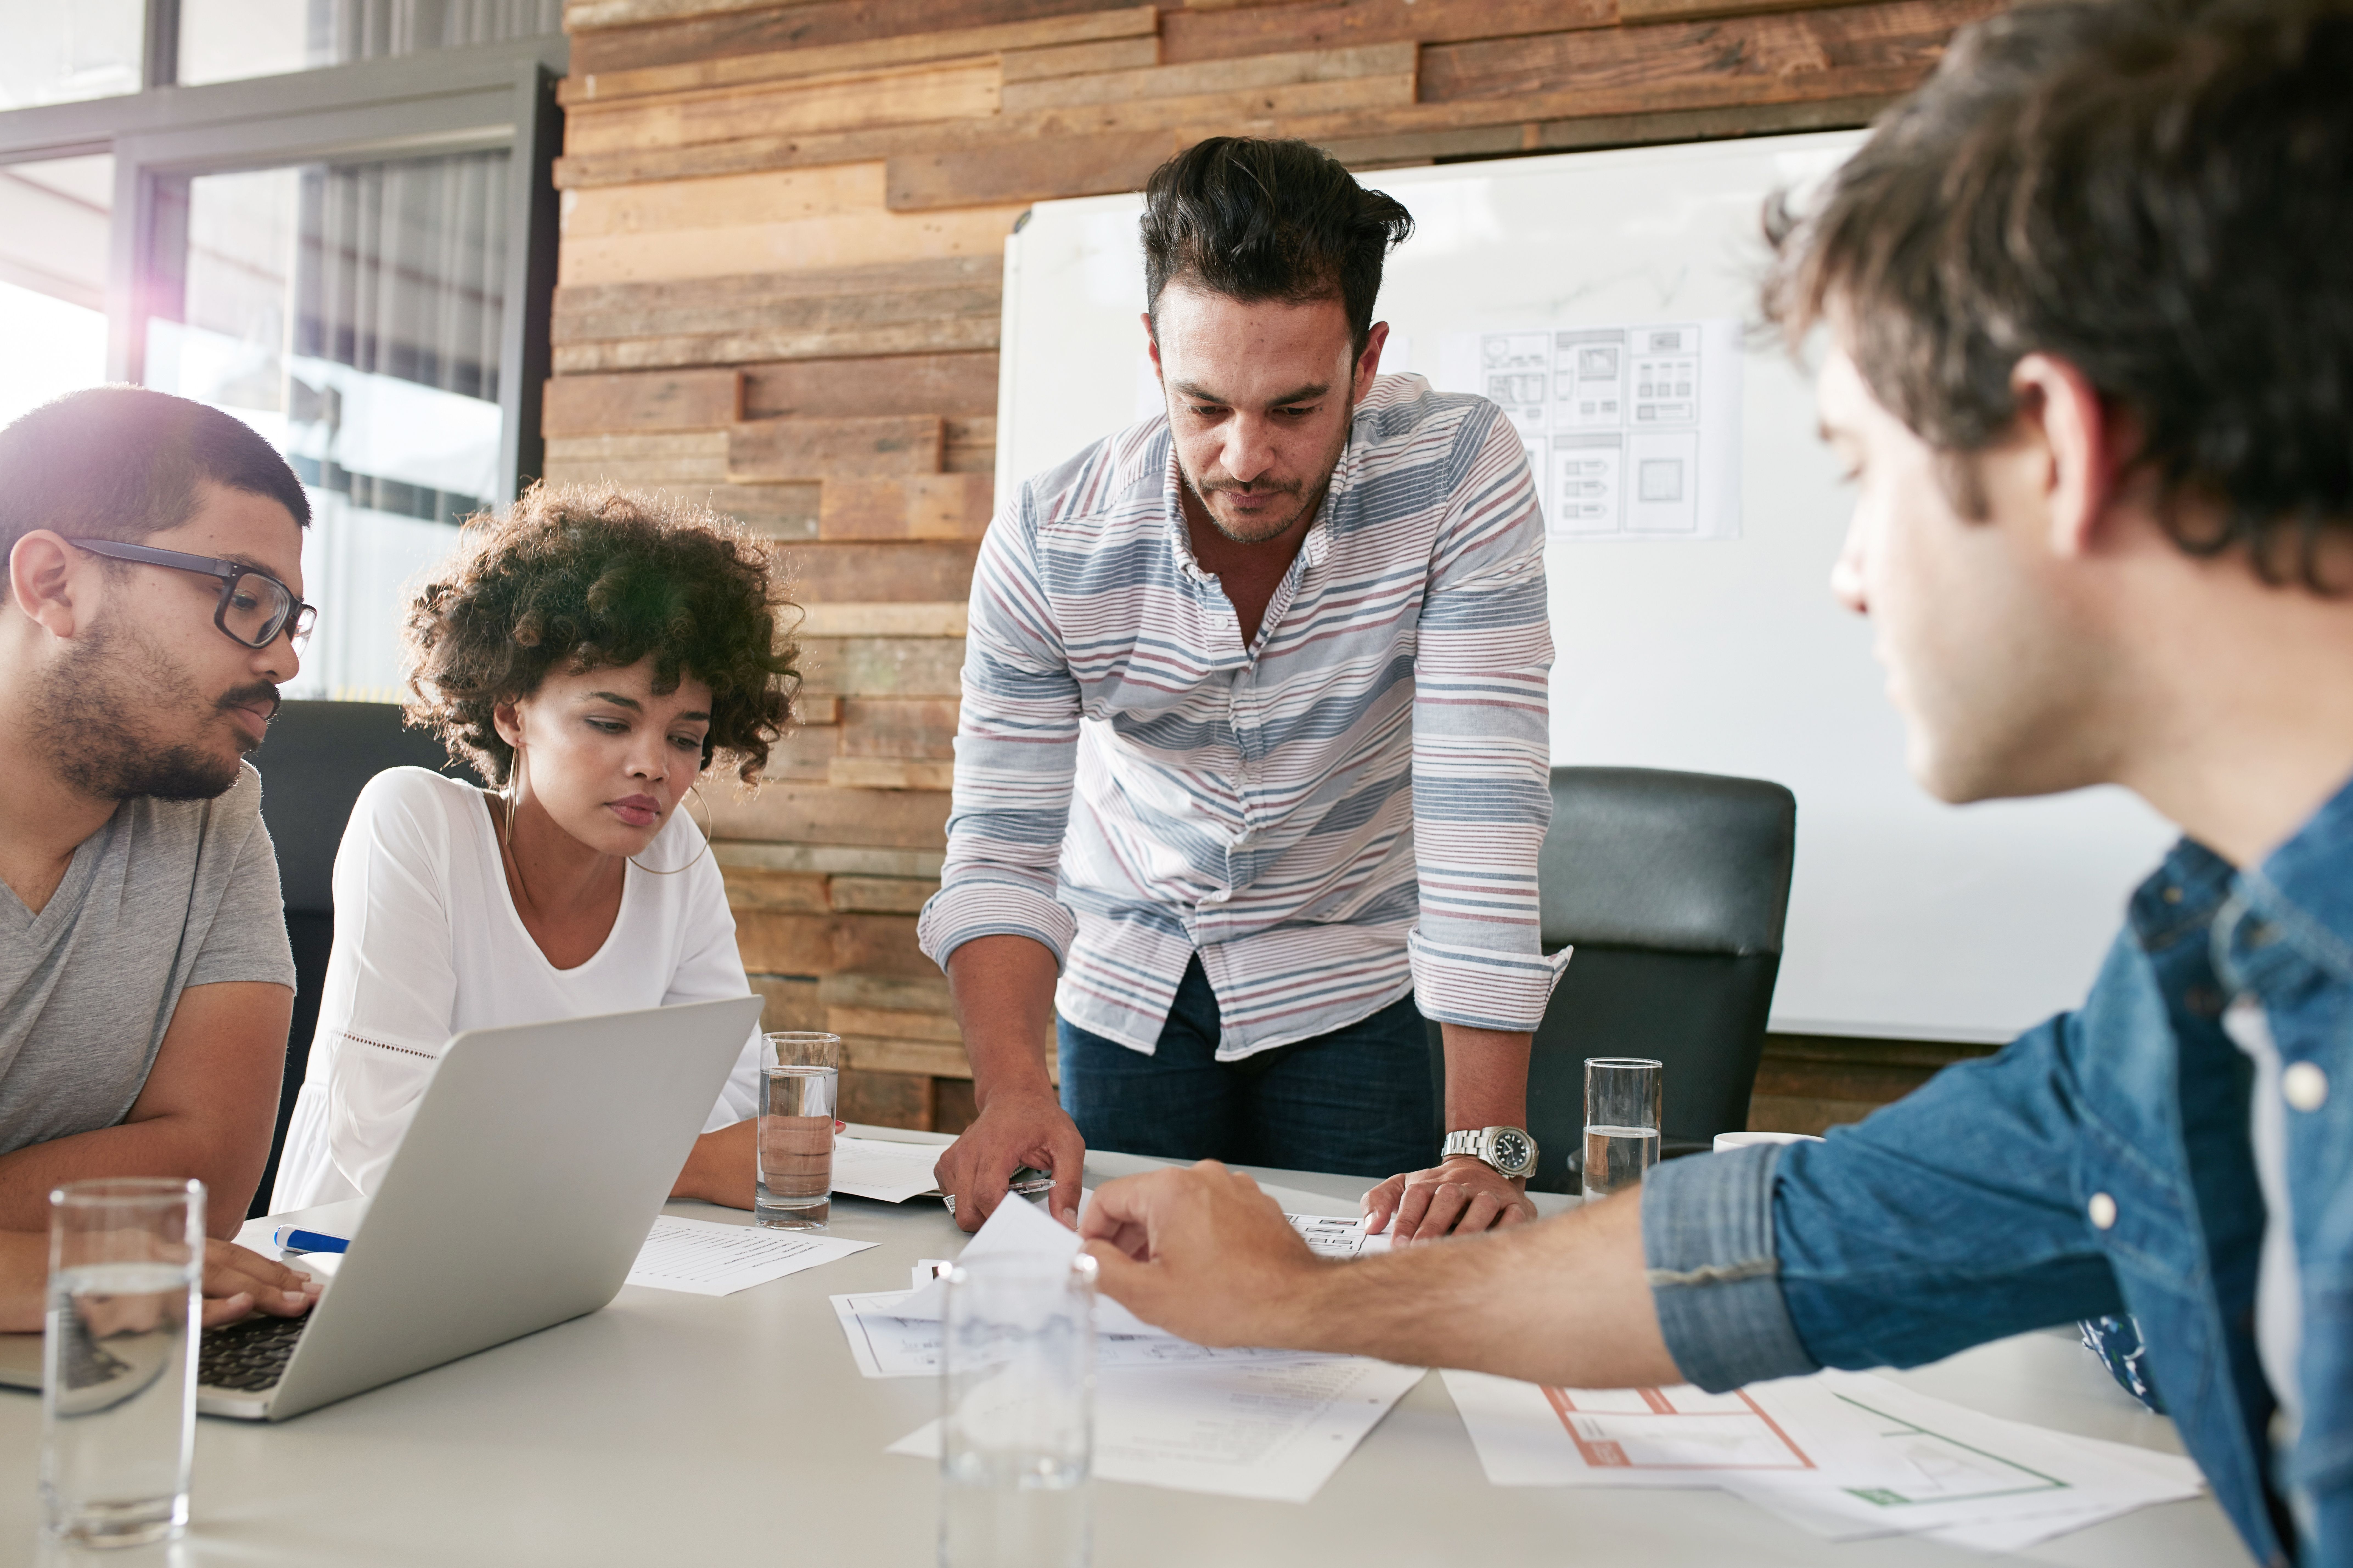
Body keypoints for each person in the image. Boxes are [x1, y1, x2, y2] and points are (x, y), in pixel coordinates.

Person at [1075, 2, 2353, 1563]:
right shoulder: (2197, 993)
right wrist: (1300, 1298)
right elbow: (1786, 1244)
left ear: (2056, 449)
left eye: (1863, 470)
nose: (1851, 573)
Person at [922, 137, 1567, 1238]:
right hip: (1130, 976)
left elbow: (1481, 813)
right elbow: (1000, 848)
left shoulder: (1457, 473)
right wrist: (1011, 1090)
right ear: (1154, 353)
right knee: (1126, 1294)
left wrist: (1483, 1148)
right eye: (1206, 405)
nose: (1245, 457)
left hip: (1347, 969)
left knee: (1358, 1295)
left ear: (1365, 364)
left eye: (1294, 409)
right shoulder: (1050, 539)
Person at [270, 485, 799, 1211]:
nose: (654, 766)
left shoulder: (674, 858)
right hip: (346, 1251)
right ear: (512, 714)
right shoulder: (416, 822)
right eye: (610, 723)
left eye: (685, 738)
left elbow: (736, 1101)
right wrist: (691, 1166)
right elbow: (393, 1143)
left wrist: (572, 1148)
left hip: (580, 1242)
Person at [0, 387, 317, 1246]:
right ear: (54, 584)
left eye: (290, 619)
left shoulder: (216, 813)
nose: (284, 660)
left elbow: (207, 1181)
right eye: (246, 597)